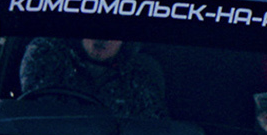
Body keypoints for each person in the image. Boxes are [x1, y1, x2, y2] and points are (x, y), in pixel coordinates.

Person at [18, 37, 167, 119]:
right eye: (96, 27)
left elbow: (153, 131)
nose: (104, 38)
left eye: (115, 31)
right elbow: (37, 116)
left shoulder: (141, 74)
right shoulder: (47, 55)